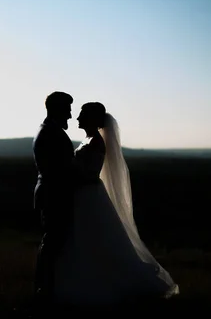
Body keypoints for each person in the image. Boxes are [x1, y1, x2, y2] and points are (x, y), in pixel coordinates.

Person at [53, 102, 179, 306]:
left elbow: (90, 173)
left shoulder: (96, 143)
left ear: (92, 119)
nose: (77, 118)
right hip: (82, 195)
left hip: (89, 197)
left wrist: (69, 171)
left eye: (82, 115)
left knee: (92, 239)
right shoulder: (89, 140)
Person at [32, 91, 75, 303]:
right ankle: (45, 289)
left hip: (51, 193)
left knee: (53, 242)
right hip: (53, 195)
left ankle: (47, 287)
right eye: (67, 110)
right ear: (57, 110)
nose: (69, 116)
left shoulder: (49, 130)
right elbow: (59, 171)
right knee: (53, 242)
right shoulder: (51, 133)